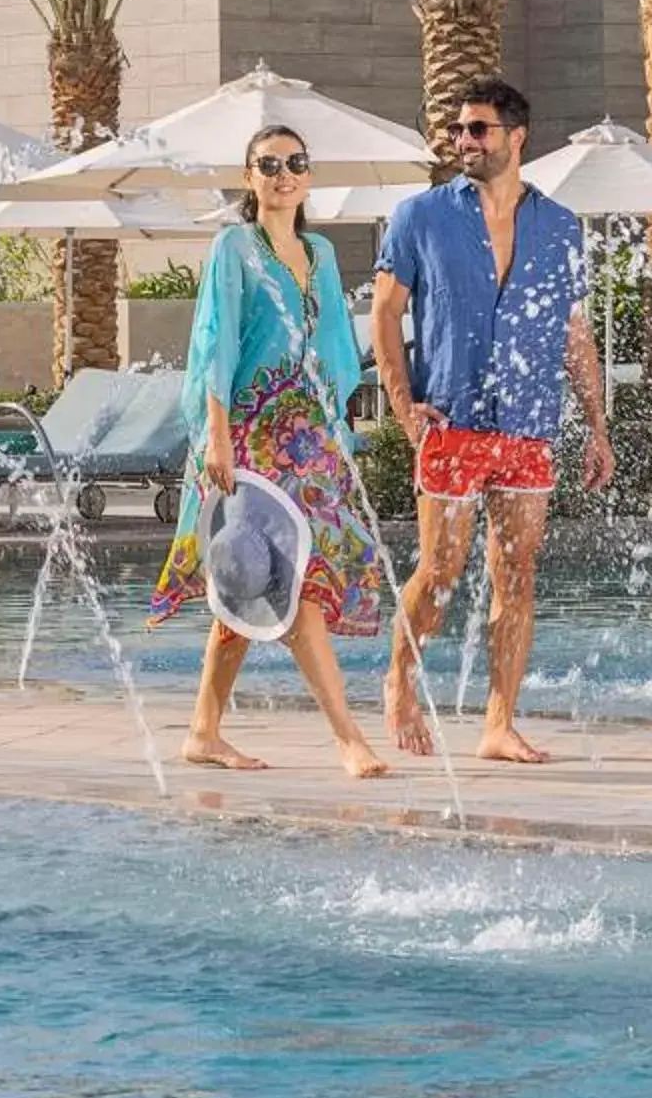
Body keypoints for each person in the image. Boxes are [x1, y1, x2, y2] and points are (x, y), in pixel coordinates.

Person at [373, 76, 611, 764]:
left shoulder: (560, 226)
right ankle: (400, 680)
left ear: (516, 137)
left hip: (529, 424)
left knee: (518, 570)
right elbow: (387, 312)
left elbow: (574, 332)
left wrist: (595, 425)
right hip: (452, 419)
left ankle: (499, 722)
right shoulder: (420, 217)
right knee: (442, 569)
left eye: (477, 130)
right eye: (457, 130)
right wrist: (400, 401)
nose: (463, 141)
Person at [148, 122, 391, 780]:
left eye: (295, 163)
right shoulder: (235, 248)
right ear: (249, 177)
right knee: (297, 587)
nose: (283, 174)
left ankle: (203, 730)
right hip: (249, 440)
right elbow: (215, 345)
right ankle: (348, 739)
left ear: (308, 176)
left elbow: (339, 347)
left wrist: (336, 437)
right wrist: (219, 436)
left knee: (248, 586)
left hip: (307, 443)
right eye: (268, 164)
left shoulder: (322, 252)